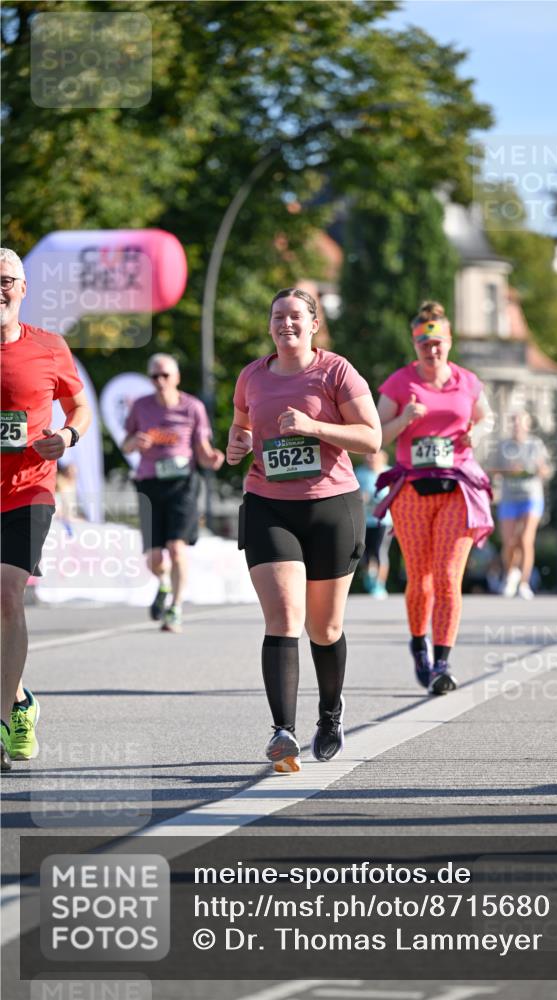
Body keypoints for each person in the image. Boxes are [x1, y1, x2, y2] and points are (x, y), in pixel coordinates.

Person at [227, 288, 380, 773]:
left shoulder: (335, 371)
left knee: (325, 626)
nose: (285, 323)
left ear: (313, 324)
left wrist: (314, 427)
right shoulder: (252, 375)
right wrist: (238, 445)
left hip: (331, 507)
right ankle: (282, 732)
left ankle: (330, 715)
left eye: (295, 316)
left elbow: (372, 437)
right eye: (277, 316)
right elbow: (242, 427)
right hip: (269, 505)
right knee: (284, 617)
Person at [0, 247, 91, 771]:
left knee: (8, 594)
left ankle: (5, 720)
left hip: (29, 487)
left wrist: (68, 434)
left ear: (24, 288)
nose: (0, 288)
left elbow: (78, 404)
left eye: (7, 279)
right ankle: (17, 703)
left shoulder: (49, 347)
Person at [375, 301, 494, 695]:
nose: (432, 350)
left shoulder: (467, 381)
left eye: (438, 342)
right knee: (420, 579)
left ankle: (442, 661)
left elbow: (486, 416)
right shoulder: (398, 384)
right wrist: (405, 418)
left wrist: (477, 432)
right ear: (415, 344)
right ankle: (418, 645)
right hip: (412, 490)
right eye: (425, 343)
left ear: (449, 341)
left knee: (446, 576)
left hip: (457, 486)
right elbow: (377, 437)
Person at [122, 354, 224, 633]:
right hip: (149, 484)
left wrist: (212, 458)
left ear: (176, 378)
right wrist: (135, 442)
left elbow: (202, 448)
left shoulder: (192, 407)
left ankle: (176, 608)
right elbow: (126, 443)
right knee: (155, 558)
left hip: (182, 484)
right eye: (155, 376)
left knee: (177, 549)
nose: (160, 381)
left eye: (166, 375)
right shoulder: (141, 406)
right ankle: (164, 584)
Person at [493, 410, 552, 600]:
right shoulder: (503, 446)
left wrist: (539, 469)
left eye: (520, 422)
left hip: (531, 496)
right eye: (514, 423)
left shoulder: (536, 445)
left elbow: (547, 470)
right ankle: (511, 574)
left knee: (526, 539)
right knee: (510, 542)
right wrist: (508, 470)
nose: (517, 426)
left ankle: (525, 583)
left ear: (527, 425)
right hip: (509, 498)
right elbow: (492, 470)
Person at [354, 450, 392, 598]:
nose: (370, 457)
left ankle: (380, 585)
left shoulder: (389, 472)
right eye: (368, 454)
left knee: (379, 551)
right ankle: (370, 577)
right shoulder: (359, 473)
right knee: (364, 554)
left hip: (383, 521)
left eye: (374, 454)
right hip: (364, 520)